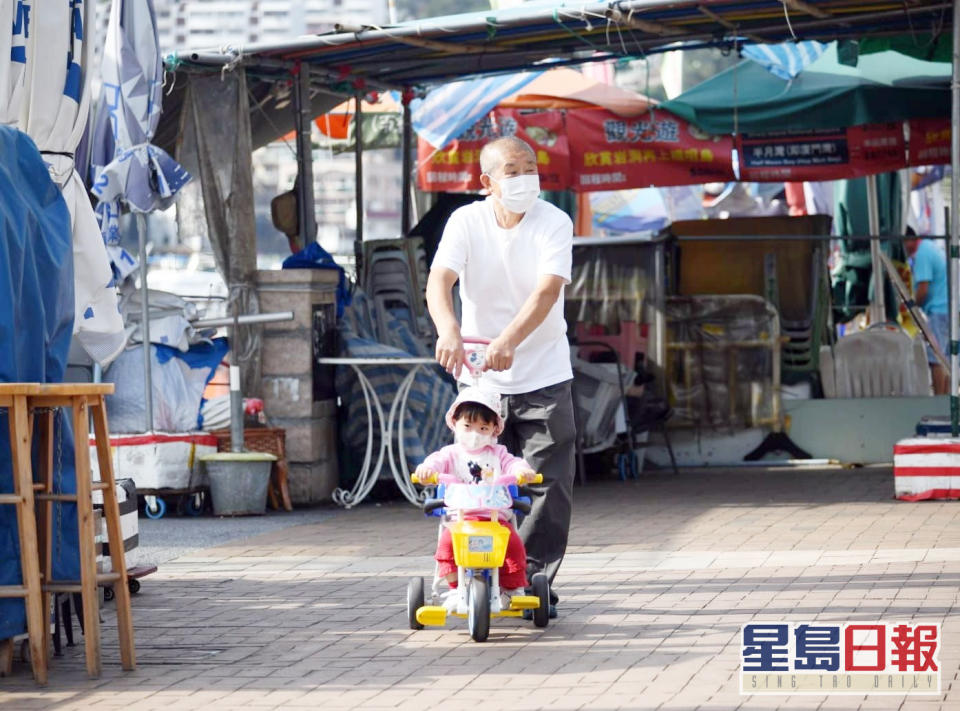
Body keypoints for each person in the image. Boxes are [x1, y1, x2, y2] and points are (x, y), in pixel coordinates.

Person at [425, 135, 576, 615]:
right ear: (486, 182)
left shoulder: (554, 221)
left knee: (544, 480)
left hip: (544, 369)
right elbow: (439, 281)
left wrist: (508, 340)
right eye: (512, 170)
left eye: (530, 167)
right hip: (479, 376)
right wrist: (448, 329)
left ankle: (528, 577)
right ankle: (464, 572)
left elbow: (547, 292)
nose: (525, 178)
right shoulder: (465, 221)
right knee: (467, 474)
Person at [415, 387, 536, 609]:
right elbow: (435, 462)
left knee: (513, 544)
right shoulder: (451, 453)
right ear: (455, 424)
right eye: (468, 426)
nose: (475, 434)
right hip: (461, 518)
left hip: (494, 517)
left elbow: (513, 463)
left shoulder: (498, 453)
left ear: (493, 429)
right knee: (446, 544)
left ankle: (512, 589)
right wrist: (426, 470)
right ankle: (454, 588)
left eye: (483, 428)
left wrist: (522, 471)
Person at [905, 227, 949, 394]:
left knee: (935, 358)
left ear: (909, 240)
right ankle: (946, 400)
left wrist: (911, 308)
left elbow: (923, 289)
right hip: (946, 308)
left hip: (938, 310)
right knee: (945, 357)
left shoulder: (922, 254)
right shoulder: (930, 247)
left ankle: (939, 400)